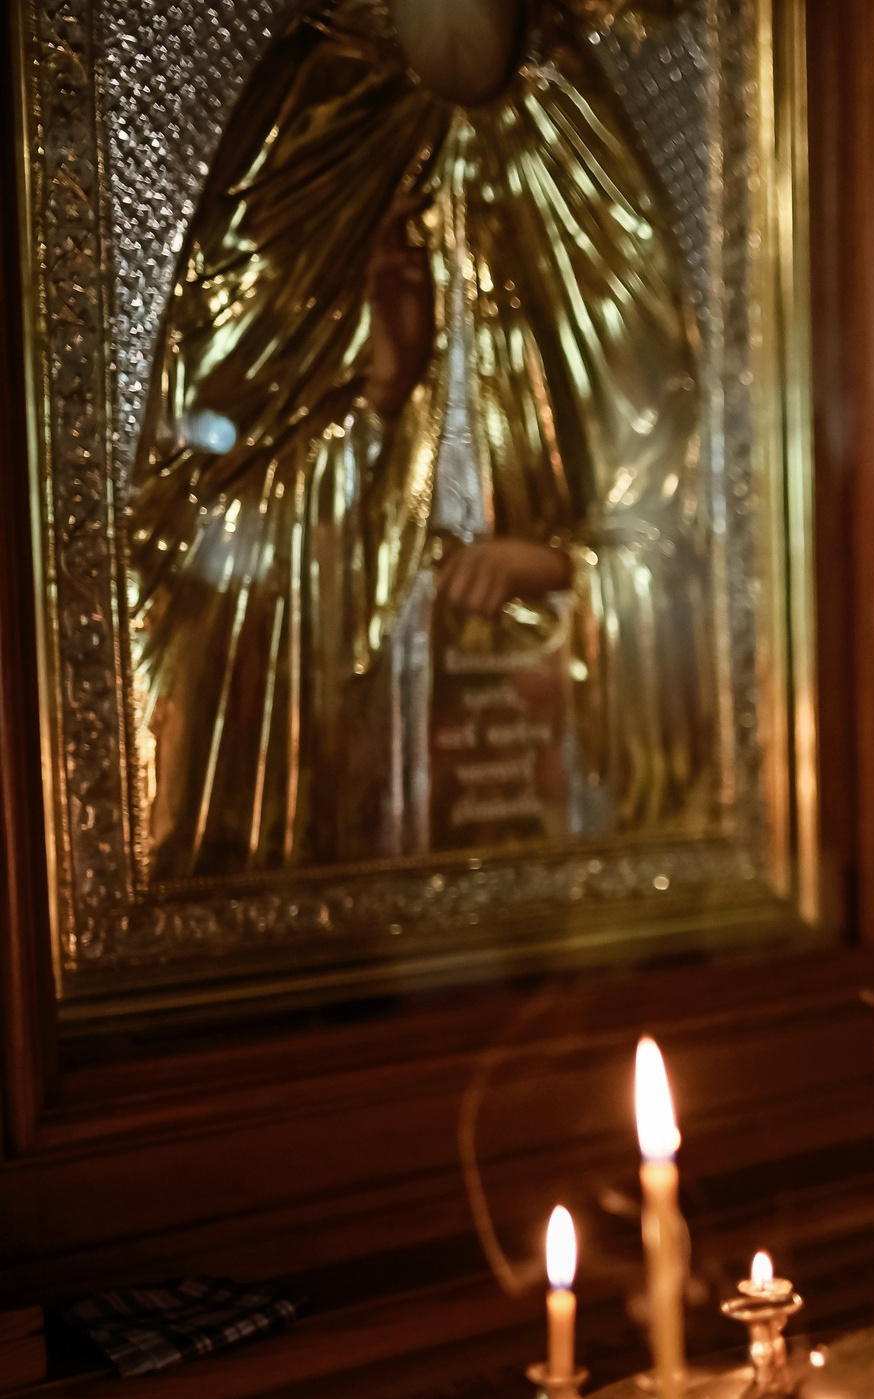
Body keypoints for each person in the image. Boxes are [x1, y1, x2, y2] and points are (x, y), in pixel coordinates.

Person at [127, 0, 711, 876]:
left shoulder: (572, 135)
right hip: (348, 771)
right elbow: (201, 524)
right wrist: (383, 397)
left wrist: (560, 568)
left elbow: (683, 525)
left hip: (544, 767)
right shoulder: (312, 118)